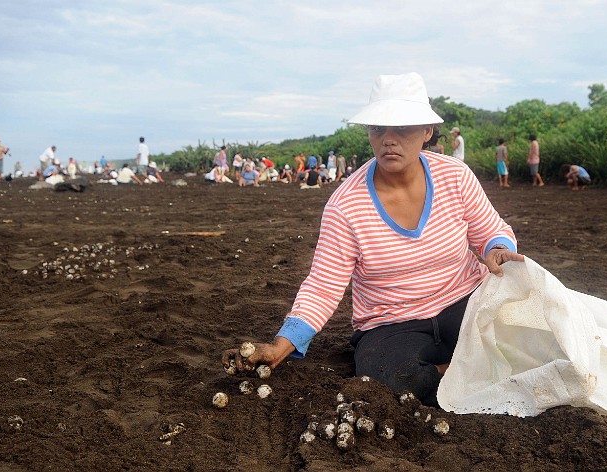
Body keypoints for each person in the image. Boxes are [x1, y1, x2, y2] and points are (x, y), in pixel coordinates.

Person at [221, 72, 522, 407]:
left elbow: (490, 230)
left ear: (426, 132)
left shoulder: (455, 176)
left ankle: (450, 373)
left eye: (402, 129)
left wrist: (498, 249)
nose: (388, 140)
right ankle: (467, 370)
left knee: (525, 338)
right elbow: (323, 284)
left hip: (464, 302)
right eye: (378, 128)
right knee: (384, 380)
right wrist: (281, 345)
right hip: (393, 322)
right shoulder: (346, 205)